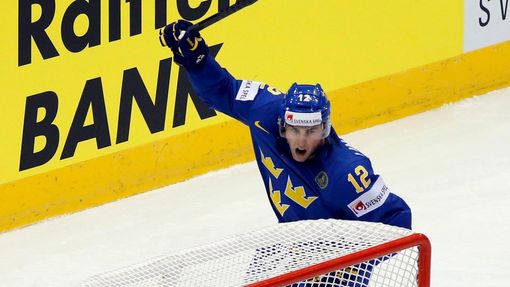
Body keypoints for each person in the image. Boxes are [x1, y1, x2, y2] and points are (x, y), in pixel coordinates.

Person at [162, 20, 412, 286]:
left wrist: (352, 262)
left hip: (338, 267)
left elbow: (397, 220)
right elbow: (223, 90)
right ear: (282, 124)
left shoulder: (345, 172)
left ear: (325, 130)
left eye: (312, 131)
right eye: (295, 130)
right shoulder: (263, 110)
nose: (302, 141)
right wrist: (198, 61)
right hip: (287, 245)